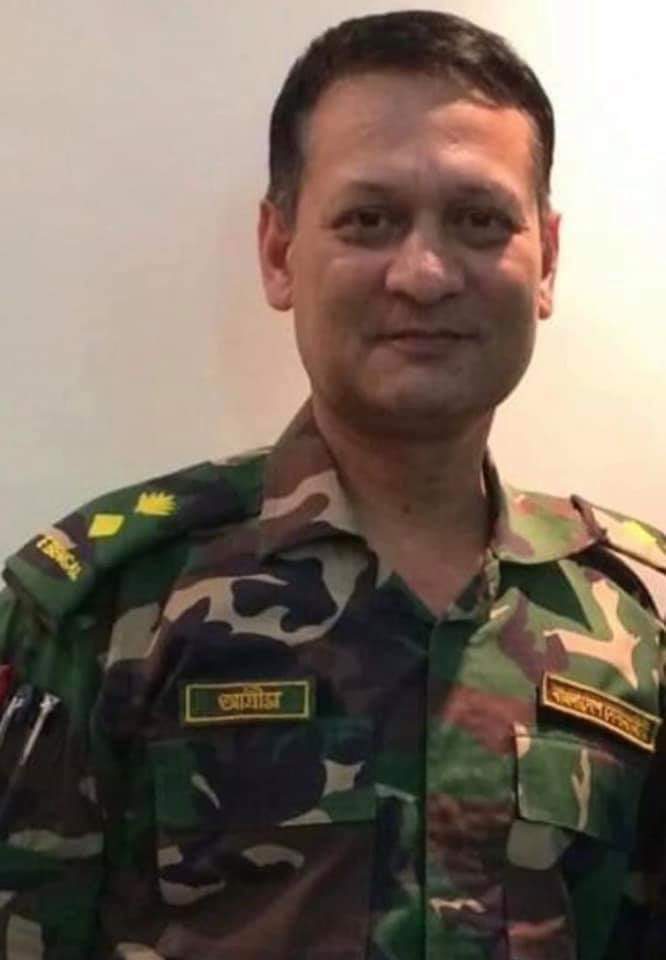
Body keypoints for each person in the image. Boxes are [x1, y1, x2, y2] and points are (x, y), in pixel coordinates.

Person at [0, 9, 664, 958]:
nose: (425, 274)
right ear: (279, 252)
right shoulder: (108, 609)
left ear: (547, 260)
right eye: (369, 220)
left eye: (480, 221)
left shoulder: (635, 623)